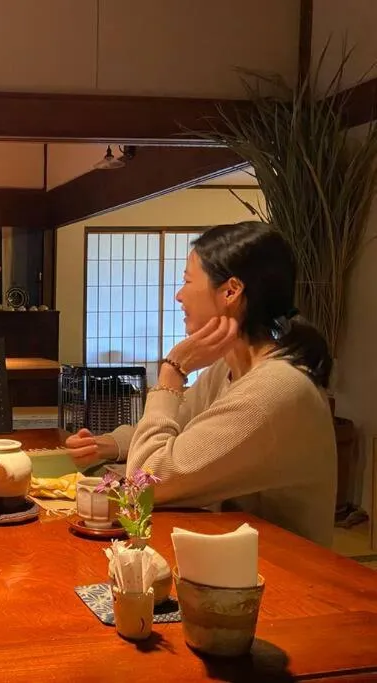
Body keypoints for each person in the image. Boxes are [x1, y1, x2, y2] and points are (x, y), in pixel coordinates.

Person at [66, 221, 337, 546]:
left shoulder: (274, 389)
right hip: (234, 563)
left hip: (287, 581)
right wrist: (111, 443)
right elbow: (178, 424)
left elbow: (143, 481)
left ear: (231, 291)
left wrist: (173, 371)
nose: (179, 295)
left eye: (187, 281)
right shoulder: (230, 368)